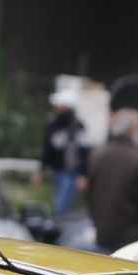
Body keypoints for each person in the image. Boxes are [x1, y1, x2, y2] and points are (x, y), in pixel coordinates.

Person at [84, 108, 138, 253]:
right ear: (130, 130)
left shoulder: (97, 155)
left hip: (104, 234)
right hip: (132, 236)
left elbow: (89, 195)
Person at [40, 88, 89, 216]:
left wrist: (83, 174)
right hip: (57, 169)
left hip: (70, 170)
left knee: (62, 203)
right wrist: (42, 168)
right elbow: (47, 147)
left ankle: (59, 223)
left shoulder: (77, 126)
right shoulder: (52, 122)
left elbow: (83, 151)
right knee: (57, 200)